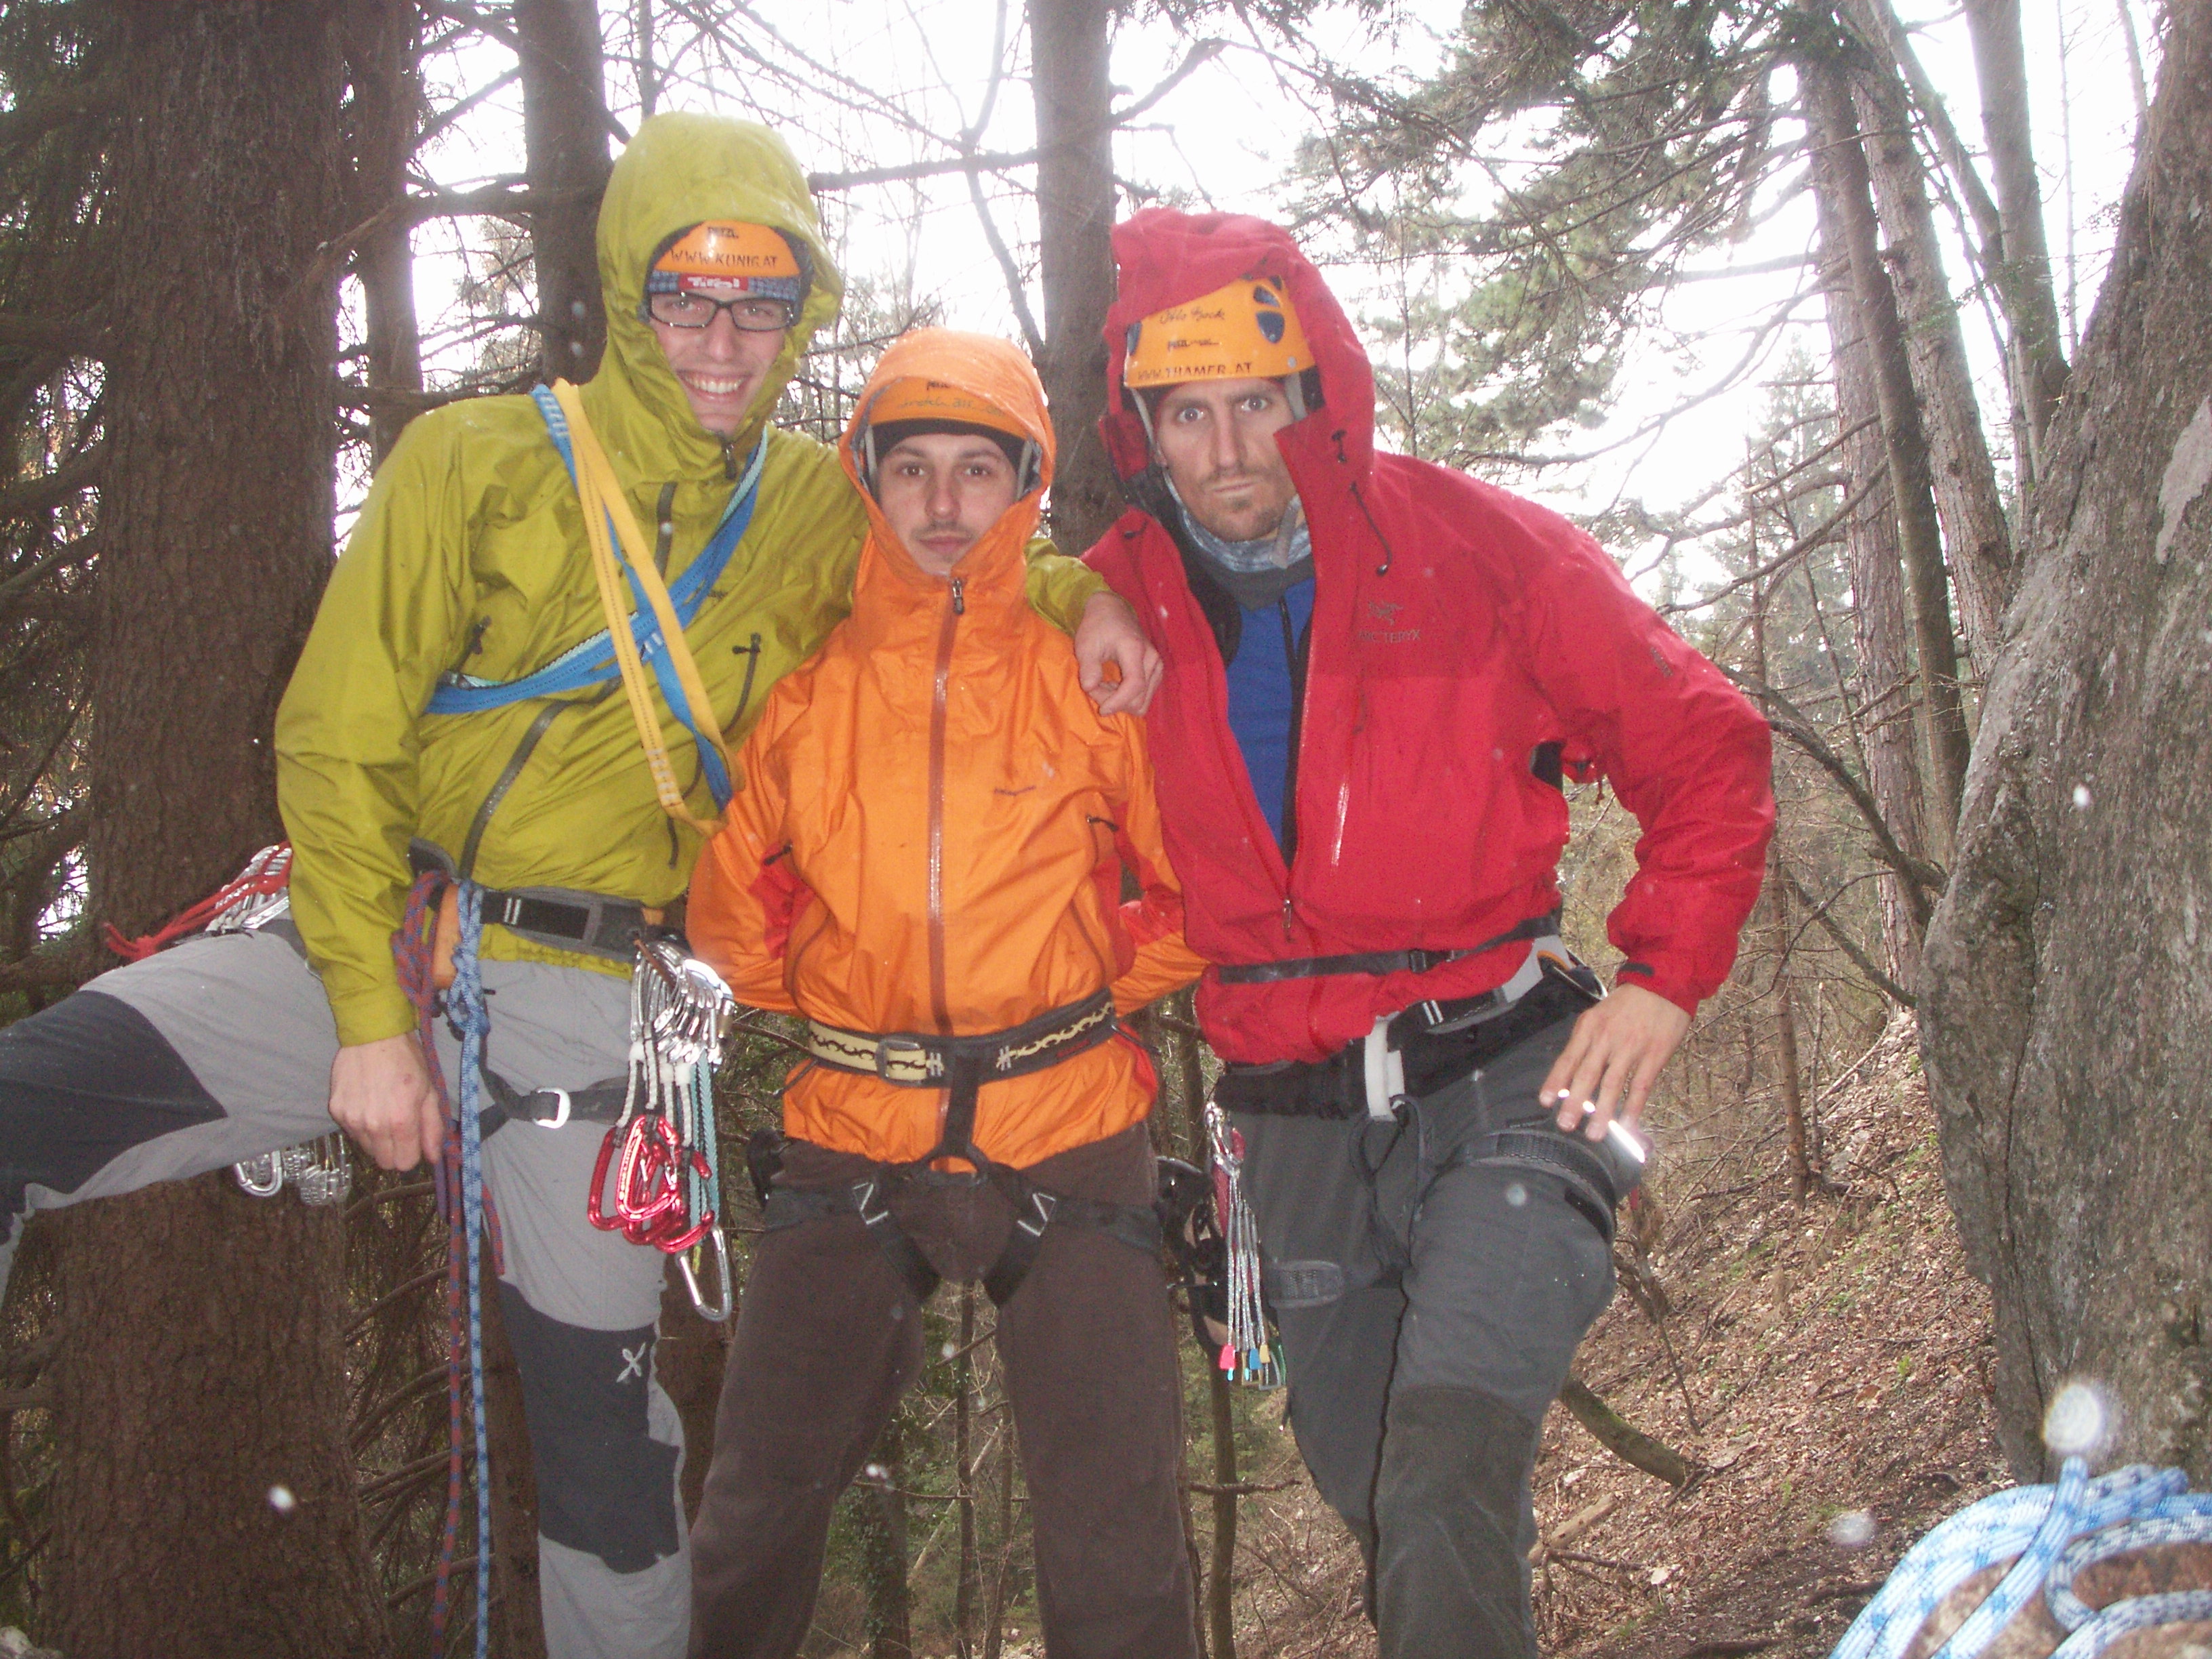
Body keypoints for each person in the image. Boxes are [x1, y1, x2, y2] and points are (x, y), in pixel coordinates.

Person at [0, 113, 1158, 1659]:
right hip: (375, 937)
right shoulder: (471, 463)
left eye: (760, 304)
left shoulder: (816, 508)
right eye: (688, 297)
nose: (723, 341)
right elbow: (337, 740)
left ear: (799, 313)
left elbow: (966, 561)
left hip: (596, 1004)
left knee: (606, 1447)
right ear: (628, 294)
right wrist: (365, 1023)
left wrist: (1090, 599)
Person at [1081, 209, 1774, 1658]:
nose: (1228, 449)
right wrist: (1065, 589)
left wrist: (1664, 981)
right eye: (1188, 414)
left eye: (1257, 402)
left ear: (1313, 393)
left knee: (1445, 1464)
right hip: (1292, 1127)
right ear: (1143, 426)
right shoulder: (1113, 604)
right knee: (1383, 1497)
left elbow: (1705, 745)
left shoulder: (1474, 550)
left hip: (1513, 1072)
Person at [683, 329, 1204, 1659]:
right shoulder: (808, 695)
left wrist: (1076, 985)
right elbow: (731, 913)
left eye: (978, 469)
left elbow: (1194, 890)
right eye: (911, 467)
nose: (942, 502)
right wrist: (845, 994)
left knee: (1117, 1527)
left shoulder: (1087, 678)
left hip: (1069, 1125)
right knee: (755, 1506)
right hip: (852, 1131)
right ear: (868, 478)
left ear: (1023, 485)